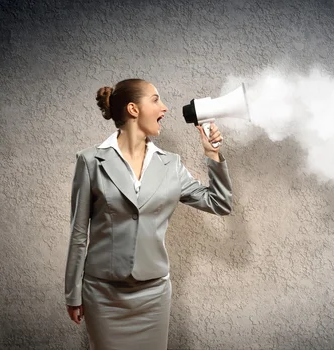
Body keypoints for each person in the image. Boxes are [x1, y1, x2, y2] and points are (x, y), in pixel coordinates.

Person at [64, 78, 232, 350]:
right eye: (155, 100)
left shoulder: (171, 164)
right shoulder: (90, 161)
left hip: (153, 296)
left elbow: (219, 203)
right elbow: (79, 233)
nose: (164, 107)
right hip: (103, 295)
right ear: (133, 109)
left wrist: (212, 154)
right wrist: (73, 294)